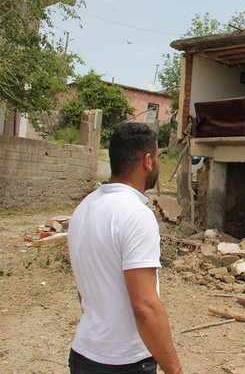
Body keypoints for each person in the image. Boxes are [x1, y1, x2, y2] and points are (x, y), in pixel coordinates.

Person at [67, 122, 182, 374]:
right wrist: (174, 370)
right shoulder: (135, 214)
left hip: (83, 355)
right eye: (158, 158)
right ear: (148, 161)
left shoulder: (85, 206)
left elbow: (84, 291)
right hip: (124, 363)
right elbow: (145, 306)